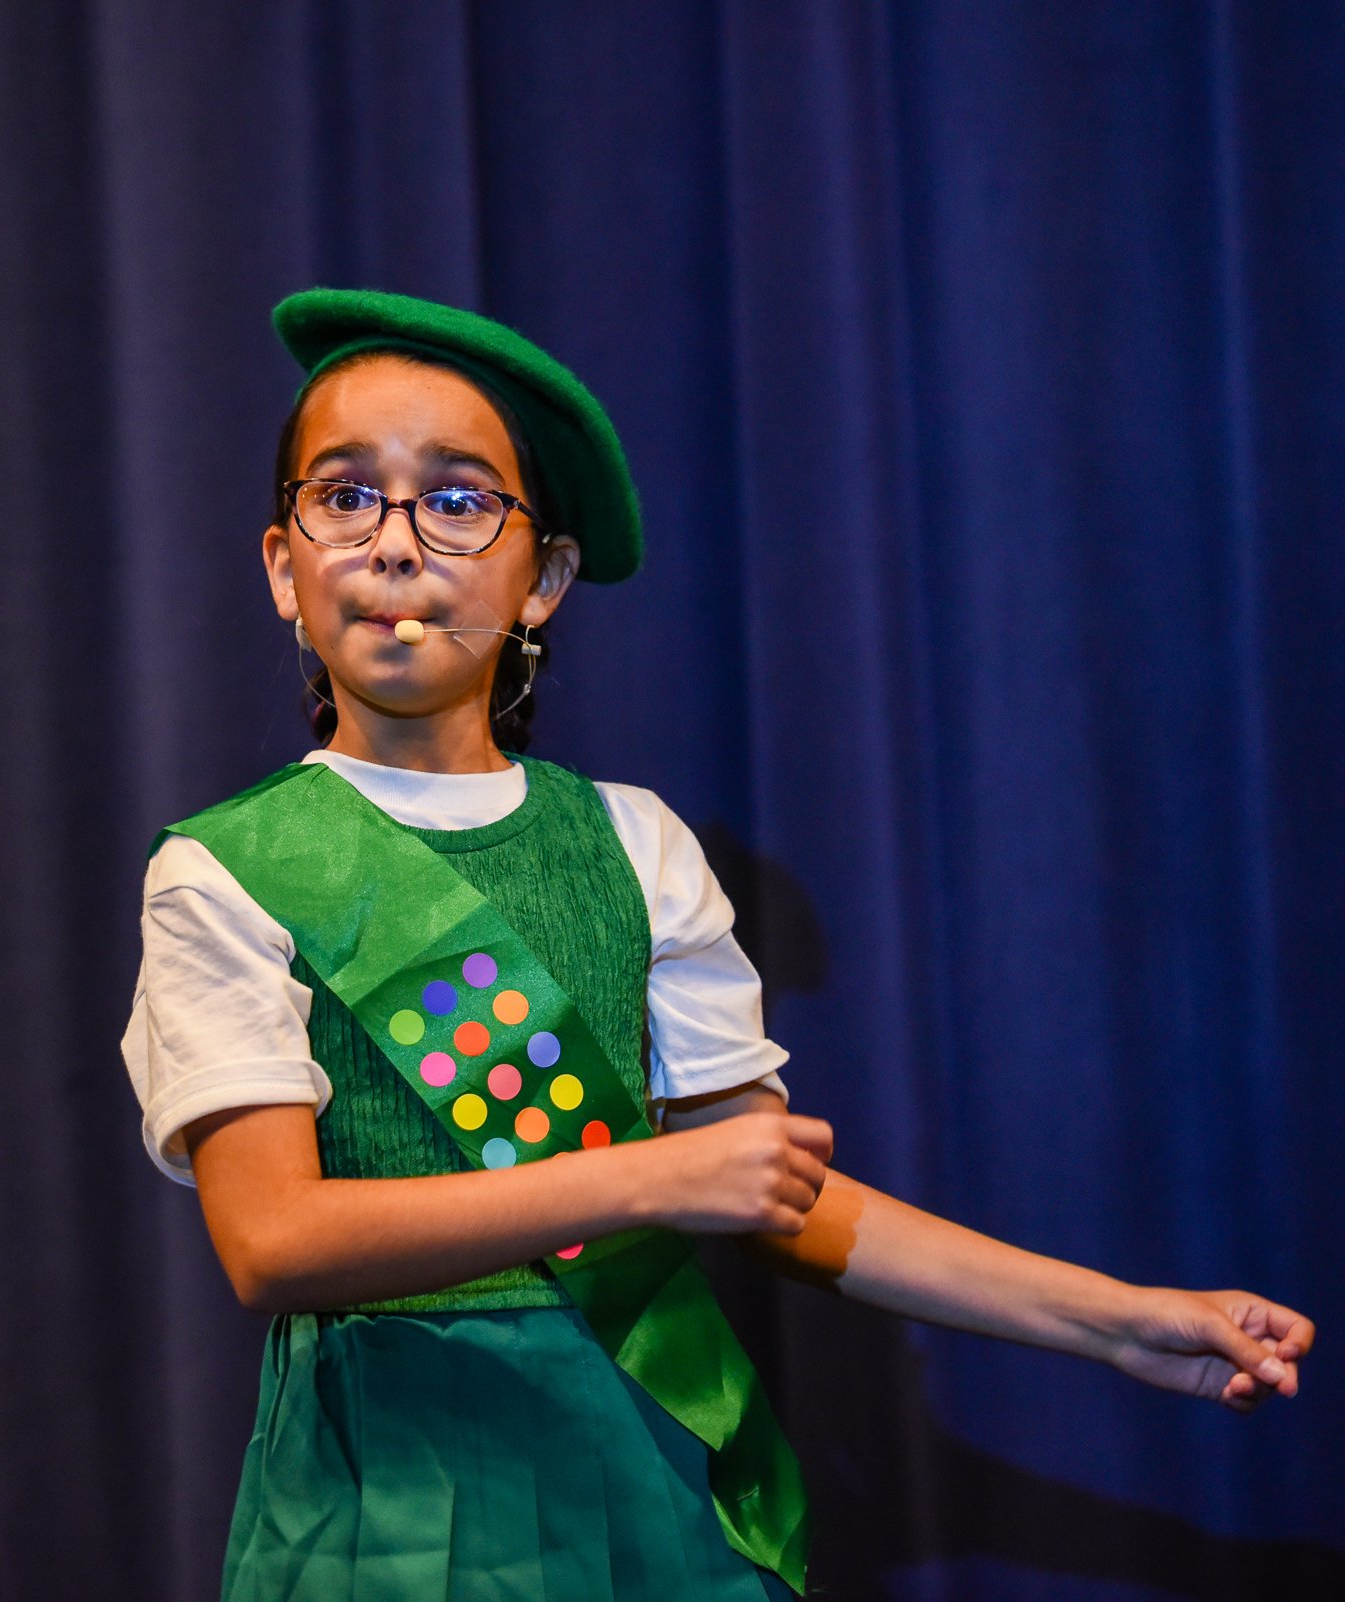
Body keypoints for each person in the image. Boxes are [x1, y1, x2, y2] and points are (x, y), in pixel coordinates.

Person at [120, 288, 1314, 1600]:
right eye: (345, 497)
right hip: (386, 1500)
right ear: (283, 567)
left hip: (645, 1468)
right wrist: (644, 1178)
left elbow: (777, 1192)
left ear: (543, 581)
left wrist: (1119, 1321)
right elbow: (274, 1239)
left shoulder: (635, 844)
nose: (396, 545)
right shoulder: (224, 870)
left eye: (458, 502)